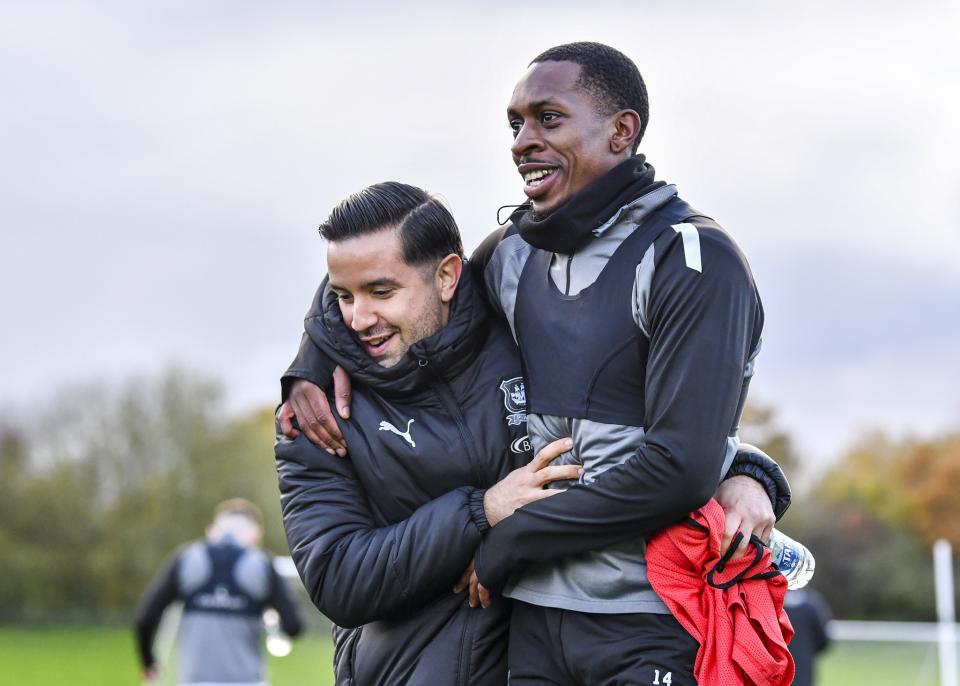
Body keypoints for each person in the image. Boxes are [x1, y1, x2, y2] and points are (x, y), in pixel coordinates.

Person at [276, 181, 788, 685]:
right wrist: (481, 511)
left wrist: (744, 470)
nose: (359, 318)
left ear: (449, 277)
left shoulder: (514, 326)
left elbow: (632, 431)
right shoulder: (316, 416)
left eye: (381, 292)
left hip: (537, 657)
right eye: (342, 296)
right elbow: (338, 579)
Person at [133, 498, 304, 686]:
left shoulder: (186, 558)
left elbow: (145, 620)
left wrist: (149, 662)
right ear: (255, 533)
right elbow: (294, 627)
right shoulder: (262, 564)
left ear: (213, 530)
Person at [784, 588, 833, 686]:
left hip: (785, 671)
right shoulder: (813, 606)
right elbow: (823, 641)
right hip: (804, 670)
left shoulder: (770, 606)